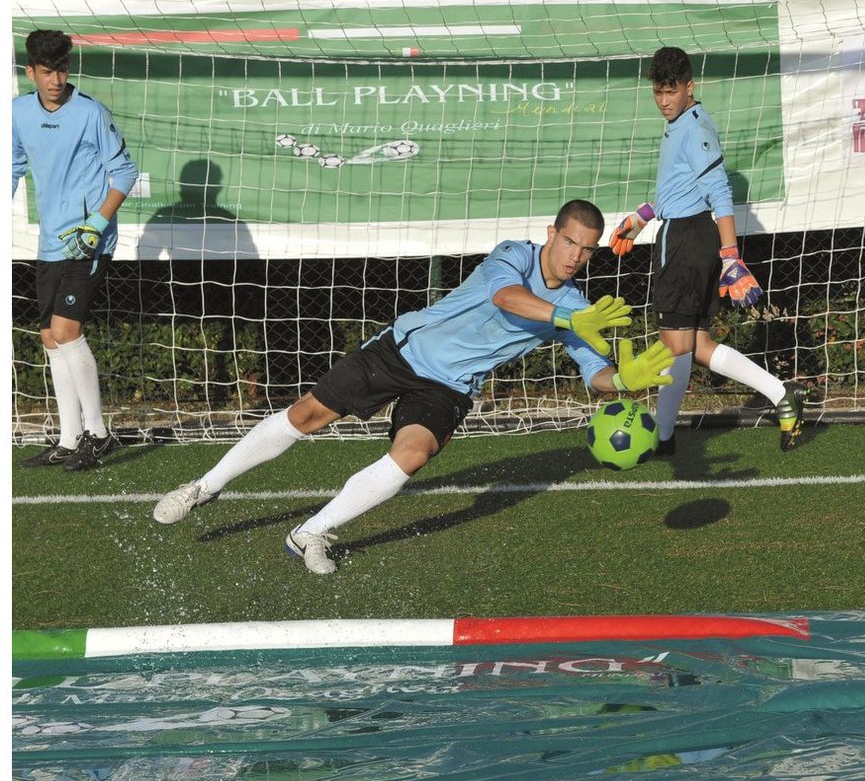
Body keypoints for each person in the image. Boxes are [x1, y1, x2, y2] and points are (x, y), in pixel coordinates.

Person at [153, 199, 674, 574]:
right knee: (306, 415)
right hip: (403, 351)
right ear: (551, 234)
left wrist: (620, 380)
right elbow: (507, 298)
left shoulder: (581, 307)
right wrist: (566, 319)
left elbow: (593, 372)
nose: (574, 257)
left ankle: (310, 532)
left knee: (413, 454)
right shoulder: (514, 254)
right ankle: (202, 487)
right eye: (569, 242)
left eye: (586, 250)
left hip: (450, 387)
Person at [609, 46, 805, 453]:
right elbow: (680, 185)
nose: (664, 101)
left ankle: (663, 437)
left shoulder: (696, 128)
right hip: (686, 234)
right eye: (658, 92)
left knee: (674, 345)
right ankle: (781, 393)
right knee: (695, 345)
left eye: (671, 91)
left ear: (690, 86)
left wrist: (731, 257)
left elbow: (719, 192)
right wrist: (643, 217)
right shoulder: (682, 123)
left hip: (686, 240)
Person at [13, 29, 139, 470]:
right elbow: (11, 167)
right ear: (30, 72)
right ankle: (68, 440)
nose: (56, 79)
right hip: (52, 241)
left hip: (90, 240)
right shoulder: (17, 112)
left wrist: (97, 223)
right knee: (50, 337)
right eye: (47, 71)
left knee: (66, 330)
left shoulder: (90, 112)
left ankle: (99, 435)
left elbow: (125, 172)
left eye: (62, 70)